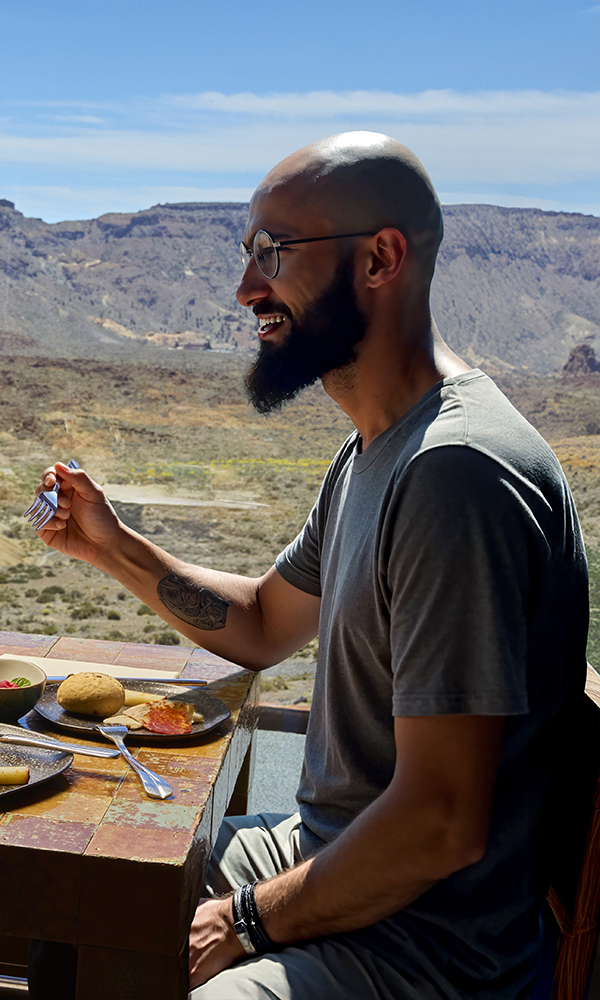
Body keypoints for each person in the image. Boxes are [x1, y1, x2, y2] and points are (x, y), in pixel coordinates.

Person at [33, 132, 588, 998]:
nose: (247, 285)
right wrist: (109, 543)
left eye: (273, 252)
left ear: (380, 259)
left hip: (423, 954)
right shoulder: (374, 453)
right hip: (323, 854)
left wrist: (248, 919)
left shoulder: (456, 474)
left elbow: (440, 823)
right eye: (248, 252)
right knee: (79, 885)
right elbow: (260, 624)